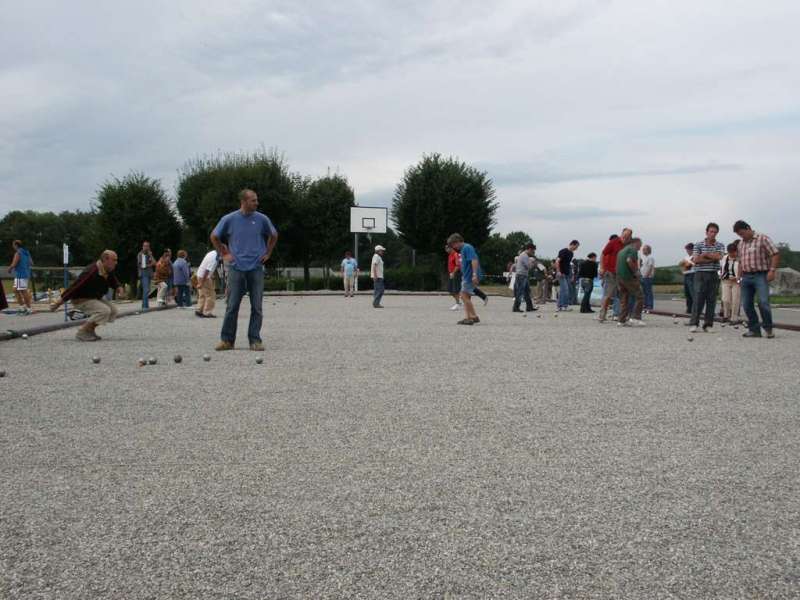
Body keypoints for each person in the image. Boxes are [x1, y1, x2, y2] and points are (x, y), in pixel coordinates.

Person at [211, 188, 278, 351]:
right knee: (232, 305)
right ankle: (227, 340)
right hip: (236, 268)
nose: (257, 203)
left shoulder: (262, 219)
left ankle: (255, 340)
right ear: (244, 202)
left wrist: (268, 253)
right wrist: (224, 253)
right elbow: (214, 236)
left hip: (256, 267)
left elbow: (274, 235)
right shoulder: (229, 219)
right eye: (253, 200)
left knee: (257, 306)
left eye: (256, 200)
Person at [51, 250, 124, 341]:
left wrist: (119, 287)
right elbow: (75, 287)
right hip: (81, 299)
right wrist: (58, 303)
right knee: (104, 311)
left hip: (93, 298)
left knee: (113, 311)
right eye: (114, 260)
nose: (116, 263)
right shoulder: (91, 271)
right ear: (105, 259)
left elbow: (113, 280)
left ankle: (90, 331)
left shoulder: (107, 270)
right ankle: (82, 332)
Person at [734, 220, 780, 339]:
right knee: (746, 304)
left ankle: (768, 328)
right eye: (739, 235)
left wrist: (772, 270)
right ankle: (754, 330)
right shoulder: (740, 244)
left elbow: (775, 253)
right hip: (746, 276)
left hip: (761, 275)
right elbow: (740, 262)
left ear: (748, 228)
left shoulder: (762, 238)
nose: (741, 236)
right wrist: (739, 277)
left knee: (763, 302)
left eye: (742, 233)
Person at [689, 223, 726, 333]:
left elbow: (720, 257)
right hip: (700, 274)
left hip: (714, 273)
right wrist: (712, 257)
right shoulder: (698, 244)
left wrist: (705, 255)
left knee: (711, 300)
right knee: (698, 299)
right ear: (706, 232)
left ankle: (708, 324)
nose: (713, 234)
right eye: (711, 231)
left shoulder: (720, 245)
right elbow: (695, 260)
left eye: (715, 232)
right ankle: (694, 323)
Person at [447, 233, 482, 325]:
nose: (453, 247)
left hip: (470, 276)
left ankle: (473, 316)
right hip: (466, 275)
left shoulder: (467, 247)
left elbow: (474, 260)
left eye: (453, 245)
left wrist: (474, 274)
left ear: (457, 241)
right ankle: (468, 317)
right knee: (466, 297)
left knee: (463, 295)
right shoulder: (463, 249)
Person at [598, 229, 631, 322]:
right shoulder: (613, 242)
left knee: (623, 295)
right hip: (611, 272)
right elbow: (603, 254)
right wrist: (602, 267)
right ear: (621, 234)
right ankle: (602, 314)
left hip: (622, 273)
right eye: (624, 235)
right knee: (608, 295)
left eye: (628, 236)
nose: (625, 238)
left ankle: (621, 315)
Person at [616, 238, 645, 327]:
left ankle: (621, 320)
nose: (640, 248)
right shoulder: (632, 250)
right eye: (640, 245)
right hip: (628, 277)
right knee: (639, 296)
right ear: (635, 243)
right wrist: (636, 272)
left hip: (619, 277)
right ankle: (636, 318)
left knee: (624, 299)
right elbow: (629, 260)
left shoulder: (621, 251)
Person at [9, 240, 33, 315]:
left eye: (13, 245)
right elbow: (31, 263)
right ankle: (22, 307)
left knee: (23, 291)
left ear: (16, 245)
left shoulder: (18, 253)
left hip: (21, 274)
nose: (13, 246)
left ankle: (29, 309)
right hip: (25, 273)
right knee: (15, 289)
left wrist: (10, 269)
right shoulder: (26, 252)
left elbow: (14, 263)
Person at [719, 242, 741, 324]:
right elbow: (721, 268)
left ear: (736, 251)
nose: (732, 254)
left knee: (735, 300)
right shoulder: (724, 258)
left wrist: (738, 278)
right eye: (730, 252)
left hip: (736, 282)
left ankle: (734, 318)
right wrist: (720, 274)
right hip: (725, 280)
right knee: (725, 299)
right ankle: (726, 315)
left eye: (733, 252)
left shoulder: (740, 259)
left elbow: (743, 271)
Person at [554, 240, 579, 311]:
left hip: (567, 274)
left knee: (566, 290)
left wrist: (571, 275)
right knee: (565, 289)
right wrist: (558, 271)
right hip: (561, 273)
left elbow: (568, 264)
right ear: (572, 244)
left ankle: (563, 306)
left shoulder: (571, 253)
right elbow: (557, 261)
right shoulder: (563, 251)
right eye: (576, 247)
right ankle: (561, 305)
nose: (576, 248)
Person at [512, 243, 536, 313]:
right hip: (521, 276)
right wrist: (532, 263)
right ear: (529, 249)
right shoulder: (524, 256)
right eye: (532, 251)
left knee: (527, 292)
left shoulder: (523, 255)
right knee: (520, 292)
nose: (532, 252)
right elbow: (528, 266)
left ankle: (529, 307)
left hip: (523, 275)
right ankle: (516, 307)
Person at [195, 249, 219, 318]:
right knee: (211, 295)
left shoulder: (212, 253)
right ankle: (207, 312)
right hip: (204, 277)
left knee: (202, 294)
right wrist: (201, 283)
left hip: (199, 274)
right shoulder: (214, 259)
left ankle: (199, 310)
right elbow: (207, 270)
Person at [136, 241, 155, 310]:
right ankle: (144, 306)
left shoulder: (149, 254)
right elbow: (143, 265)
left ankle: (146, 305)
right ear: (143, 246)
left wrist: (150, 255)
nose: (146, 247)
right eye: (145, 246)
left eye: (148, 246)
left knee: (147, 289)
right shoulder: (141, 254)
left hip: (149, 274)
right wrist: (150, 264)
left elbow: (154, 262)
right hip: (143, 274)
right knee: (146, 289)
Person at [679, 243, 696, 315]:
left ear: (692, 249)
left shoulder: (694, 256)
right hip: (686, 275)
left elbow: (688, 265)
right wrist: (684, 264)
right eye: (687, 249)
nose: (687, 251)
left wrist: (685, 264)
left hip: (692, 274)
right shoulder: (686, 257)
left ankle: (695, 309)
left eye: (688, 249)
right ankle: (689, 308)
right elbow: (680, 264)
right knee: (687, 293)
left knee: (693, 293)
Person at [640, 244, 655, 312]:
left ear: (648, 250)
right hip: (642, 276)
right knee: (644, 292)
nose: (643, 250)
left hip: (647, 277)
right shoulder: (643, 258)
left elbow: (650, 267)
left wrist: (646, 275)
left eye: (645, 249)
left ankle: (650, 305)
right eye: (643, 249)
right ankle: (645, 304)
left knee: (648, 291)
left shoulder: (650, 258)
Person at [447, 245, 462, 310]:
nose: (446, 250)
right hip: (451, 274)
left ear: (451, 248)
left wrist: (453, 273)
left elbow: (458, 265)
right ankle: (459, 301)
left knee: (455, 289)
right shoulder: (450, 255)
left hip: (456, 273)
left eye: (447, 248)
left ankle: (457, 304)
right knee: (449, 289)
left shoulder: (456, 255)